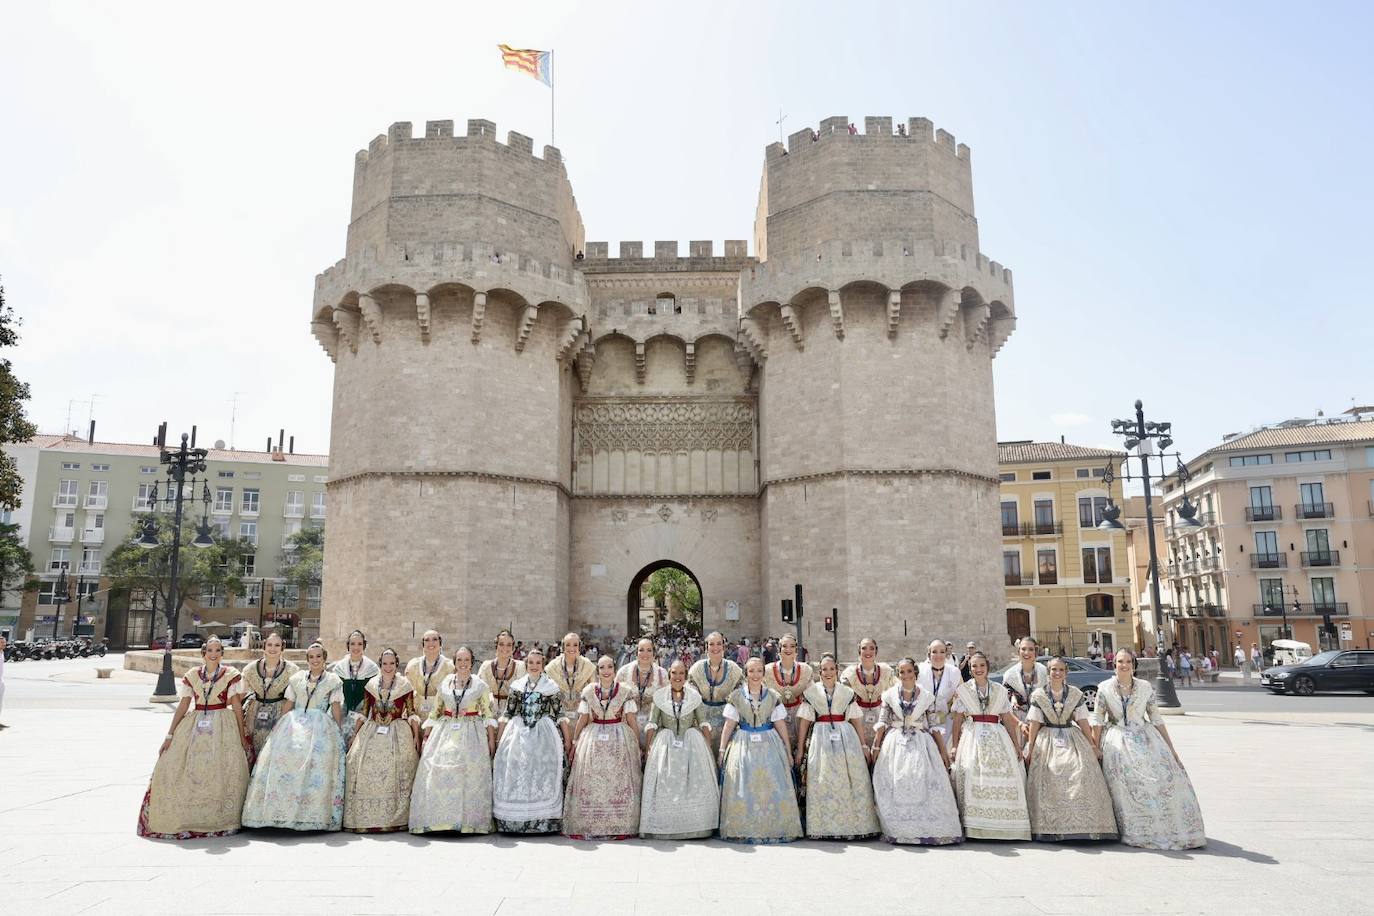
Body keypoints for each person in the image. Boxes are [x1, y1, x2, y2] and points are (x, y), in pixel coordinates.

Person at [137, 636, 250, 839]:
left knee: (220, 769)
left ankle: (217, 817)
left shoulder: (230, 674)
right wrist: (170, 735)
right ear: (203, 654)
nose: (213, 655)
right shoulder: (192, 675)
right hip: (196, 722)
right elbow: (183, 705)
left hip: (222, 724)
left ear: (222, 654)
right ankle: (188, 816)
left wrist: (242, 736)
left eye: (217, 651)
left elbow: (236, 705)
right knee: (183, 767)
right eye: (210, 651)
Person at [1092, 649, 1206, 849]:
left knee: (1163, 778)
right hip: (1117, 738)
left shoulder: (1145, 687)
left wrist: (1170, 748)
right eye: (1120, 661)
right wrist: (1095, 748)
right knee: (1129, 782)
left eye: (1128, 661)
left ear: (1134, 664)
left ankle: (1168, 827)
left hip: (1145, 737)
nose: (1124, 665)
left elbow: (1156, 719)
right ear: (1114, 664)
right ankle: (1137, 828)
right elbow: (1098, 721)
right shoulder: (1104, 688)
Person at [241, 642, 346, 831]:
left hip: (320, 725)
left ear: (324, 659)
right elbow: (289, 703)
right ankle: (278, 812)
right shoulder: (297, 678)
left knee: (314, 766)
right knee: (283, 760)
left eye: (318, 657)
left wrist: (338, 731)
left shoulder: (333, 680)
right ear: (307, 660)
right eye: (311, 657)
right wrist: (278, 728)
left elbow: (336, 708)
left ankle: (309, 815)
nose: (315, 660)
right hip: (294, 722)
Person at [1022, 658, 1118, 842]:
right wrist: (1031, 747)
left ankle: (1084, 824)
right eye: (1053, 670)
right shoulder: (1039, 694)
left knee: (1080, 771)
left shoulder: (1074, 694)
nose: (1056, 673)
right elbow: (1034, 723)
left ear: (1066, 673)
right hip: (1047, 737)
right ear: (1048, 673)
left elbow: (1082, 720)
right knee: (1050, 772)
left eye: (1060, 670)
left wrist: (1092, 745)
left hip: (1070, 735)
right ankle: (1052, 825)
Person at [870, 656, 962, 845]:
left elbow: (935, 725)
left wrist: (943, 752)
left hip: (921, 741)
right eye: (901, 672)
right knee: (895, 780)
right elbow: (882, 722)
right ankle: (899, 828)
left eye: (909, 671)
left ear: (916, 673)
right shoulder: (889, 695)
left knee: (926, 779)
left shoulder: (927, 697)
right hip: (895, 742)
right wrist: (876, 745)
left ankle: (928, 828)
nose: (905, 675)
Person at [410, 646, 497, 835]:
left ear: (472, 662)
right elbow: (435, 711)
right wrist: (426, 735)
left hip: (471, 731)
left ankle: (468, 822)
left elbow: (487, 714)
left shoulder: (480, 685)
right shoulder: (446, 682)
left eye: (466, 660)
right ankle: (440, 820)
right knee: (437, 768)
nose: (463, 664)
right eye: (459, 660)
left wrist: (491, 739)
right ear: (455, 662)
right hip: (445, 729)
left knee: (467, 773)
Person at [794, 653, 880, 841]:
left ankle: (851, 825)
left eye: (832, 669)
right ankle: (824, 825)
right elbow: (805, 722)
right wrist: (800, 749)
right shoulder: (811, 693)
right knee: (822, 779)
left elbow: (856, 719)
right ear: (819, 672)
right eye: (824, 669)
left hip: (845, 737)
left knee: (849, 778)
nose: (828, 672)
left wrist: (863, 744)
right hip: (820, 736)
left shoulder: (847, 693)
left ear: (837, 670)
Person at [717, 658, 802, 844]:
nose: (755, 675)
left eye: (758, 671)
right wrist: (722, 750)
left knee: (772, 784)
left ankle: (772, 827)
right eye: (751, 671)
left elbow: (780, 724)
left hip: (769, 743)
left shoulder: (773, 696)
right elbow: (729, 725)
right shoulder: (736, 696)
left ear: (763, 674)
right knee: (743, 784)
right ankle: (743, 828)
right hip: (743, 743)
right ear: (746, 674)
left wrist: (787, 750)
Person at [948, 651, 1031, 841]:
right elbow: (957, 720)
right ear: (970, 669)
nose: (978, 669)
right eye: (974, 666)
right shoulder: (963, 691)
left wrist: (1016, 745)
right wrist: (954, 745)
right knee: (971, 772)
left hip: (996, 734)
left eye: (981, 666)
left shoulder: (1000, 691)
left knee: (1006, 773)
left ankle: (1006, 825)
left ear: (988, 668)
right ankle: (975, 825)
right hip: (972, 735)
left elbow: (1008, 720)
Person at [492, 647, 571, 834]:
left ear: (543, 665)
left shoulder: (550, 687)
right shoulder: (517, 686)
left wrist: (567, 740)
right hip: (518, 731)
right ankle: (514, 820)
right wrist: (498, 741)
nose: (534, 666)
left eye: (538, 663)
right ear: (526, 665)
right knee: (515, 768)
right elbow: (507, 713)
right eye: (531, 663)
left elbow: (560, 714)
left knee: (542, 770)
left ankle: (542, 820)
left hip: (544, 733)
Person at [563, 655, 642, 839]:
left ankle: (619, 824)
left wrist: (637, 745)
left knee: (617, 780)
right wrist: (575, 742)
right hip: (593, 737)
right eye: (602, 668)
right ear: (597, 671)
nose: (606, 671)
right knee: (592, 779)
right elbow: (583, 718)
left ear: (614, 670)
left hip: (619, 739)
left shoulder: (625, 691)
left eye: (609, 667)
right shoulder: (589, 691)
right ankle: (590, 823)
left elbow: (631, 719)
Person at [639, 660, 719, 839]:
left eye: (681, 673)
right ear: (669, 676)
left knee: (693, 781)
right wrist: (648, 749)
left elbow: (703, 722)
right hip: (666, 746)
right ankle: (664, 825)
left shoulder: (694, 697)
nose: (677, 677)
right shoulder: (660, 697)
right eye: (674, 673)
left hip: (691, 746)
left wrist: (708, 750)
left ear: (686, 676)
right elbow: (652, 723)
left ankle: (695, 825)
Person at [343, 647, 420, 832]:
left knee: (403, 762)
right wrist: (355, 735)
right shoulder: (371, 685)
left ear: (396, 664)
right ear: (380, 664)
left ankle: (395, 818)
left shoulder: (405, 685)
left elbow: (411, 712)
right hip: (373, 728)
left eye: (392, 663)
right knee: (355, 761)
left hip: (397, 729)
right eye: (385, 663)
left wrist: (416, 735)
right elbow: (364, 712)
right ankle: (362, 818)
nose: (388, 667)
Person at [241, 631, 299, 759]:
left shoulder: (292, 670)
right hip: (254, 713)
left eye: (277, 645)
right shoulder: (250, 669)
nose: (273, 648)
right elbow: (241, 694)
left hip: (281, 713)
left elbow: (294, 697)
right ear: (264, 646)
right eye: (270, 645)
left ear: (282, 648)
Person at [687, 631, 744, 755]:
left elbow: (740, 693)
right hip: (702, 721)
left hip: (727, 722)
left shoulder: (734, 668)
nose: (715, 647)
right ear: (706, 647)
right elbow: (690, 693)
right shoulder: (696, 668)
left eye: (719, 644)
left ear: (724, 647)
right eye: (711, 644)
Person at [764, 634, 813, 757]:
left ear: (796, 650)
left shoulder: (806, 670)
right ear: (779, 650)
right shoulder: (767, 670)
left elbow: (812, 696)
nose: (788, 649)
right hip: (775, 717)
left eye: (792, 646)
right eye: (784, 646)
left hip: (799, 717)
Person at [840, 637, 895, 748]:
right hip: (857, 717)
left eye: (872, 648)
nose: (868, 652)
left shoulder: (886, 671)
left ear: (876, 651)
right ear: (859, 651)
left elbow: (895, 694)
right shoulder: (850, 674)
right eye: (864, 648)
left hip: (881, 715)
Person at [617, 637, 668, 751]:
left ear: (654, 654)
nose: (645, 654)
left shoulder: (662, 674)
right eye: (641, 650)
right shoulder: (624, 672)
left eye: (649, 650)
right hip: (628, 726)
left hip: (653, 726)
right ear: (636, 653)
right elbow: (615, 699)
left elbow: (667, 702)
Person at [330, 628, 379, 742]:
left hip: (365, 713)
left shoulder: (372, 668)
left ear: (364, 646)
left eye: (359, 644)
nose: (356, 647)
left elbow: (373, 696)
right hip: (342, 712)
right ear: (348, 646)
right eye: (353, 644)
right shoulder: (339, 668)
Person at [917, 639, 963, 746]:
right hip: (924, 721)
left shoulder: (954, 672)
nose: (938, 655)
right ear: (929, 654)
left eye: (942, 652)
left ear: (946, 654)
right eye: (934, 652)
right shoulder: (920, 671)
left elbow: (961, 696)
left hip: (947, 721)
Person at [1002, 636, 1048, 734]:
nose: (1027, 653)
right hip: (1018, 725)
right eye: (1023, 649)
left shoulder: (1044, 672)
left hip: (1041, 723)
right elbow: (1005, 706)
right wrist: (1020, 724)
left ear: (1035, 651)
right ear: (1019, 651)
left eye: (1030, 649)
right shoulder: (1009, 675)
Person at [546, 631, 597, 721]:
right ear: (563, 647)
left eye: (575, 645)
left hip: (582, 714)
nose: (571, 648)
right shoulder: (553, 667)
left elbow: (594, 690)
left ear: (579, 647)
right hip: (558, 714)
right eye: (568, 644)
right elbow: (547, 691)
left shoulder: (587, 665)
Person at [405, 630, 453, 719]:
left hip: (440, 715)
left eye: (434, 639)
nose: (431, 643)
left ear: (440, 643)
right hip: (416, 714)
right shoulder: (413, 666)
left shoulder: (449, 667)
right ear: (423, 644)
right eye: (427, 640)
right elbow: (407, 692)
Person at [477, 629, 525, 720]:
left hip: (512, 713)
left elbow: (521, 693)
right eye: (501, 644)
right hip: (489, 710)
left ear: (513, 648)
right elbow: (479, 690)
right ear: (496, 645)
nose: (505, 648)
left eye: (509, 645)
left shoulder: (520, 667)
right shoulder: (486, 666)